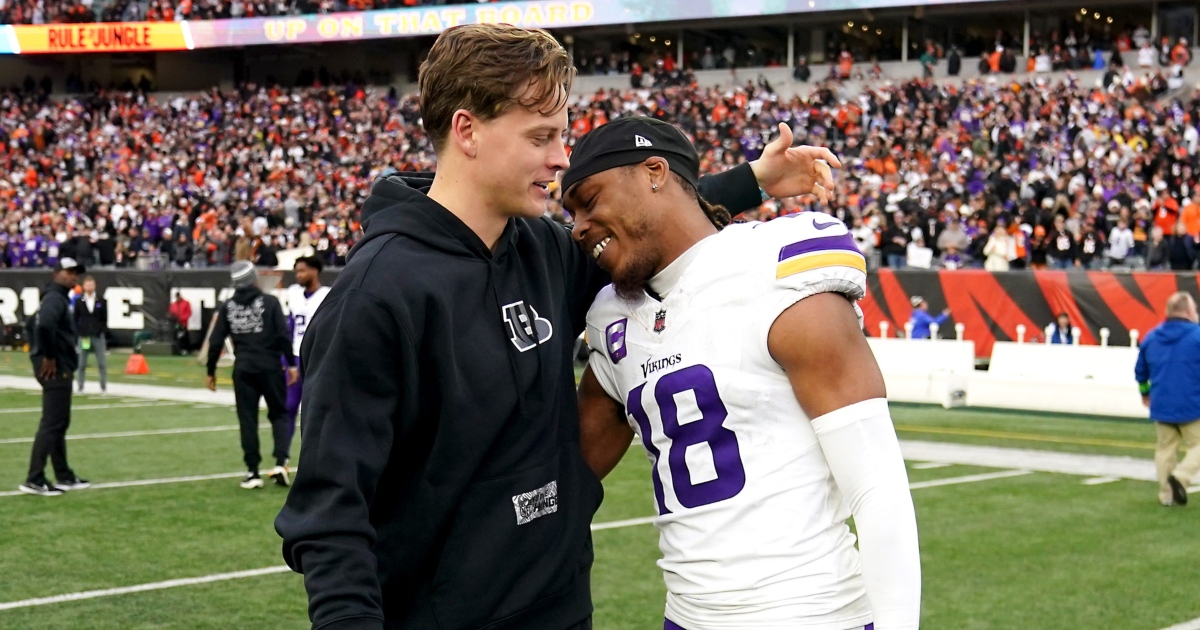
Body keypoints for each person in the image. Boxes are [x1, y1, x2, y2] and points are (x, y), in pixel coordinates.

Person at [275, 24, 841, 630]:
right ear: (467, 130)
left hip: (563, 608)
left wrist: (752, 180)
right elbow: (330, 516)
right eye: (541, 136)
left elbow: (646, 224)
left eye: (561, 135)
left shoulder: (545, 249)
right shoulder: (375, 295)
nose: (561, 158)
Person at [566, 118, 920, 629]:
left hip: (812, 616)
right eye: (571, 212)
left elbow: (876, 484)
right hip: (686, 618)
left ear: (654, 172)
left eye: (590, 199)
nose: (578, 226)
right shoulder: (611, 316)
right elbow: (568, 470)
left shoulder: (774, 266)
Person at [206, 261, 297, 490]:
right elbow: (283, 335)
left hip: (244, 367)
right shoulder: (270, 302)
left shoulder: (228, 306)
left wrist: (211, 371)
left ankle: (252, 471)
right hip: (270, 366)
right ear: (255, 279)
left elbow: (216, 341)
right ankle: (280, 462)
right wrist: (292, 364)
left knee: (247, 420)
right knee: (279, 414)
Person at [19, 257, 90, 496]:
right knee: (53, 423)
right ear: (57, 273)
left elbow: (32, 325)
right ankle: (34, 477)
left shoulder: (54, 297)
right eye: (69, 272)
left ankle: (63, 474)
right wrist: (47, 356)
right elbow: (44, 326)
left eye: (76, 273)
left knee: (58, 423)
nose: (74, 277)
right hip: (56, 367)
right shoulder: (54, 298)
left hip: (56, 365)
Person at [1135, 292, 1200, 506]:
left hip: (1161, 402)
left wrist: (1145, 393)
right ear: (1190, 312)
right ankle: (1181, 476)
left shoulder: (1151, 337)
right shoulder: (1197, 336)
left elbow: (1141, 371)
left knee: (1165, 449)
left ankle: (1166, 495)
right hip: (1193, 403)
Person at [281, 256, 329, 461]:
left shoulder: (327, 295)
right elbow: (290, 326)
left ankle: (317, 457)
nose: (298, 275)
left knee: (318, 410)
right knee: (290, 406)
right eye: (296, 271)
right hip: (294, 355)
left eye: (302, 271)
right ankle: (281, 458)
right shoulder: (294, 294)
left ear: (315, 271)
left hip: (317, 356)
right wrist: (286, 361)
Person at [73, 275, 108, 394]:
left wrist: (100, 330)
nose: (89, 287)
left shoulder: (101, 301)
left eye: (91, 285)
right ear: (83, 286)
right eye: (87, 285)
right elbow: (75, 318)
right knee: (82, 363)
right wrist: (80, 332)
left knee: (101, 363)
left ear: (95, 286)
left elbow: (105, 319)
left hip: (97, 336)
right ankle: (80, 386)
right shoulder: (79, 301)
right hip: (85, 337)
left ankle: (103, 387)